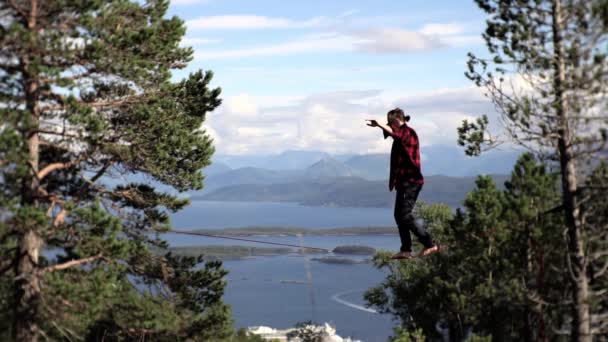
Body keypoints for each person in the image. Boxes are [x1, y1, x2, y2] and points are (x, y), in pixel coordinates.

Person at [366, 108, 439, 259]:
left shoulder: (408, 133)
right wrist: (381, 126)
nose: (390, 127)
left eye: (391, 124)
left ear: (398, 121)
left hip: (411, 181)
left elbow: (396, 134)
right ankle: (406, 249)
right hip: (403, 183)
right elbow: (392, 134)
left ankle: (430, 244)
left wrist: (380, 124)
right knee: (398, 216)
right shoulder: (401, 133)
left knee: (405, 215)